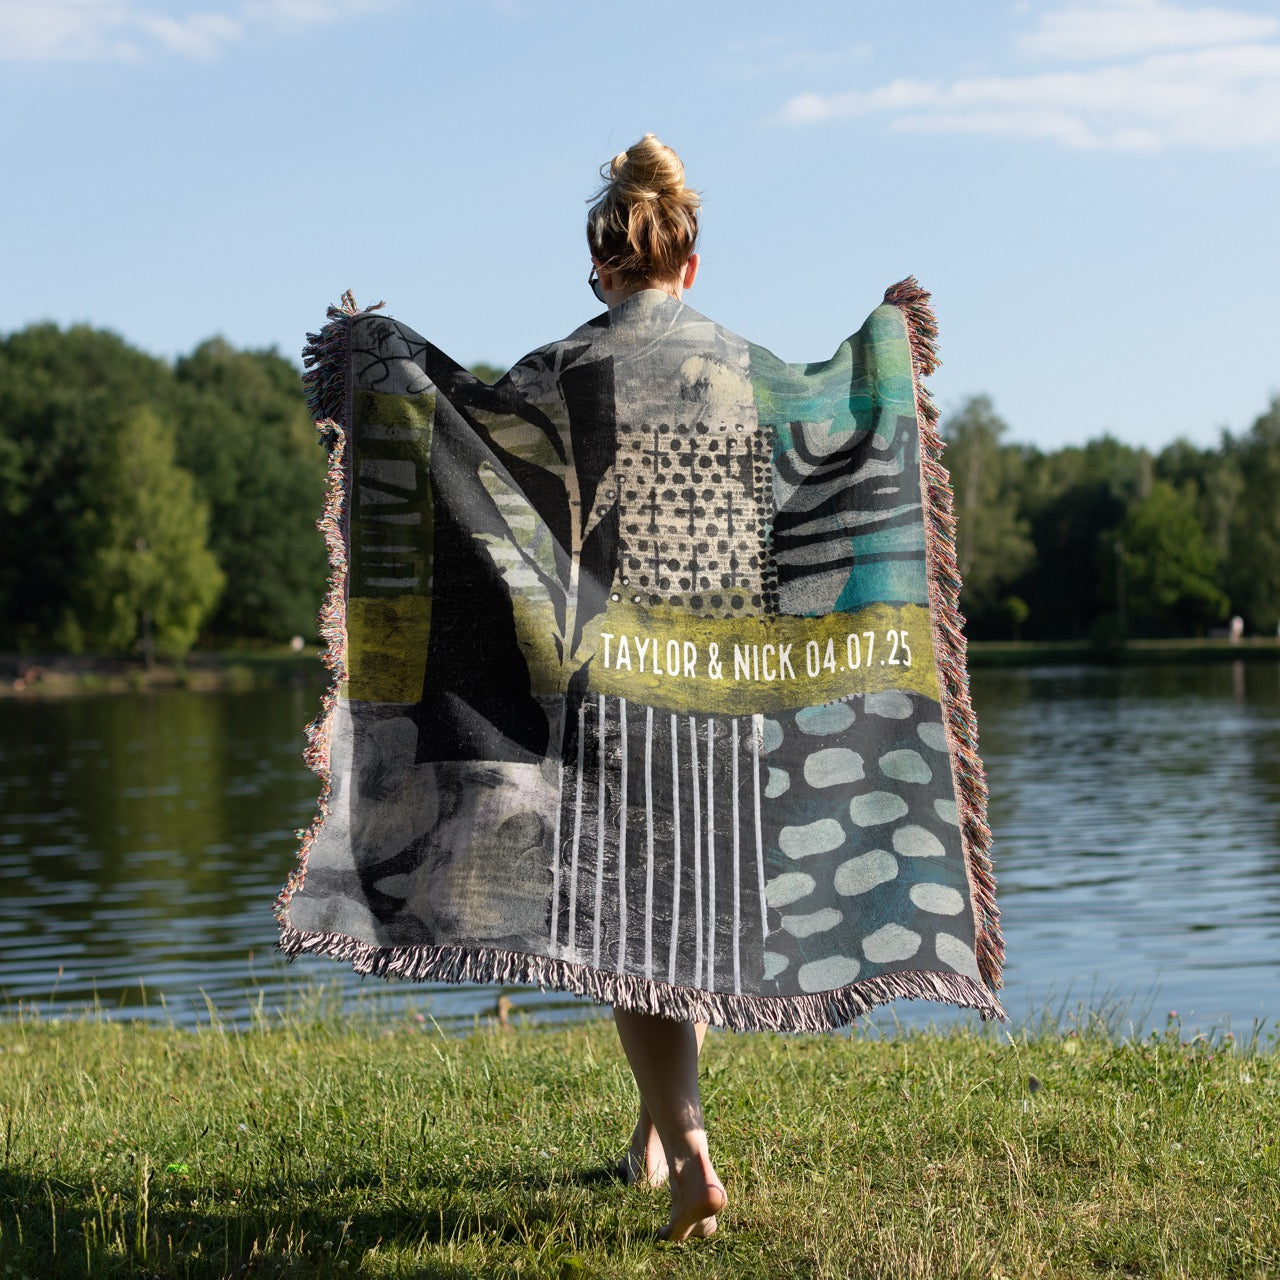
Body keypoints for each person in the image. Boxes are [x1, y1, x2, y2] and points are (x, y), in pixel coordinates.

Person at [585, 135, 726, 1241]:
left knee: (628, 933)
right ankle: (647, 1136)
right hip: (724, 683)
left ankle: (689, 1154)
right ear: (688, 260)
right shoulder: (739, 368)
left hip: (613, 681)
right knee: (686, 915)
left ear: (603, 267)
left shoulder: (569, 368)